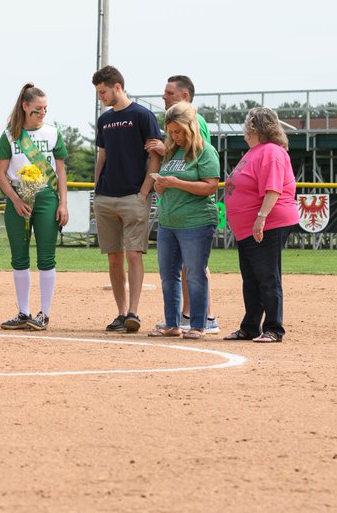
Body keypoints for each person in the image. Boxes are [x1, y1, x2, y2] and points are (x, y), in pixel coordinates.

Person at [92, 65, 162, 333]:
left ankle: (134, 311)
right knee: (113, 257)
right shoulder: (105, 120)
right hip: (106, 196)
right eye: (99, 93)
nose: (102, 97)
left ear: (118, 87)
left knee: (134, 253)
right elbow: (103, 155)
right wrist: (97, 187)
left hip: (134, 195)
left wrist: (145, 190)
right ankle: (121, 313)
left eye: (104, 92)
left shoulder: (142, 115)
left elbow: (154, 155)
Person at [0, 84, 69, 331]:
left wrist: (63, 204)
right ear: (25, 107)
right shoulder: (9, 136)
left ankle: (44, 314)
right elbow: (1, 174)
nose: (42, 113)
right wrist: (15, 200)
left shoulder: (53, 133)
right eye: (37, 109)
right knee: (19, 256)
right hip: (17, 197)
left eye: (45, 109)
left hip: (47, 196)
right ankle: (23, 312)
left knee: (46, 256)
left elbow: (60, 170)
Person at [222, 107, 299, 343]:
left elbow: (273, 188)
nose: (245, 129)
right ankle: (250, 326)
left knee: (267, 276)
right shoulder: (255, 152)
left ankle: (274, 328)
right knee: (251, 278)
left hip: (269, 223)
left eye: (247, 124)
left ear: (255, 127)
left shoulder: (271, 152)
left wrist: (261, 217)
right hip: (249, 227)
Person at [149, 74, 219, 333]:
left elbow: (211, 186)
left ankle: (199, 325)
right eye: (171, 132)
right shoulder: (172, 151)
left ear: (190, 128)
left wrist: (175, 182)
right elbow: (167, 182)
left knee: (195, 275)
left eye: (178, 132)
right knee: (168, 277)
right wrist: (160, 185)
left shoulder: (205, 152)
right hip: (169, 221)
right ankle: (172, 323)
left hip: (196, 222)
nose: (175, 136)